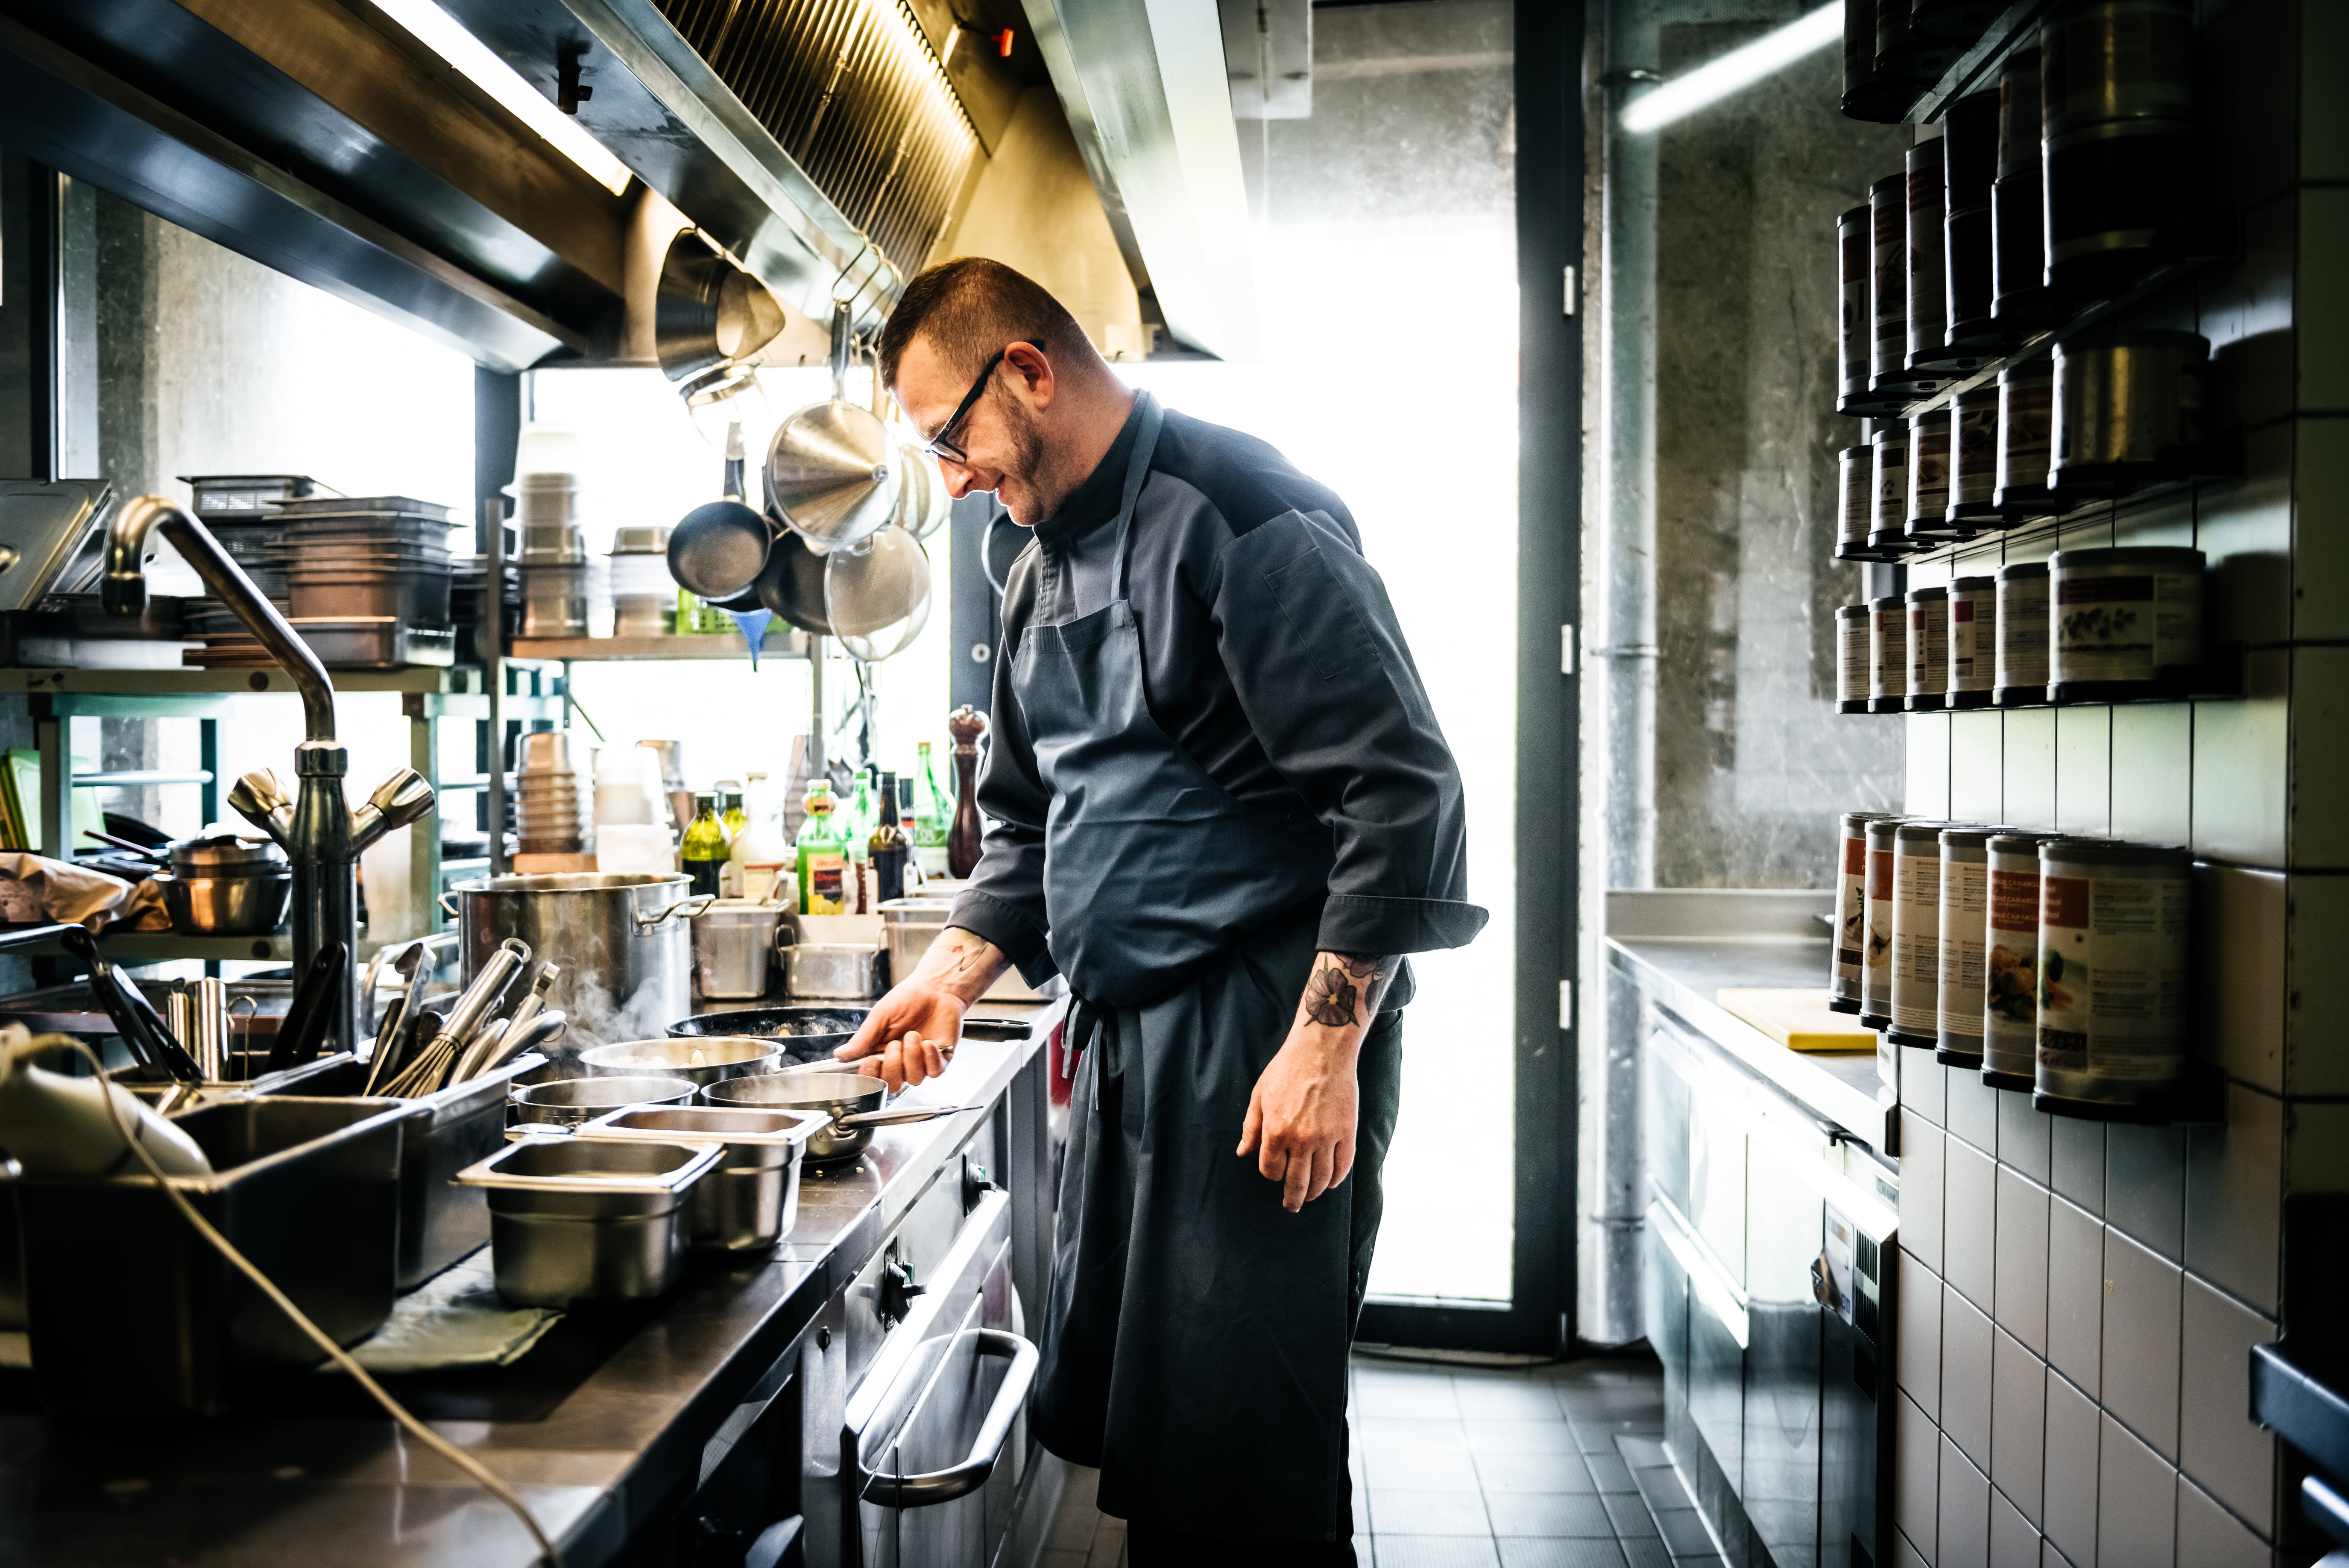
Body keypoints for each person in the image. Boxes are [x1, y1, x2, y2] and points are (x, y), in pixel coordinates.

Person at [837, 257, 1485, 1565]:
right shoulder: (1034, 568)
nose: (953, 480)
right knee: (1163, 1456)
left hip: (1258, 1046)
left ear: (1028, 370)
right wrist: (949, 976)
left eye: (951, 439)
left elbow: (1400, 791)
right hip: (1130, 1047)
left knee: (1241, 1470)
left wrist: (1324, 1051)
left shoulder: (1244, 514)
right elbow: (1031, 820)